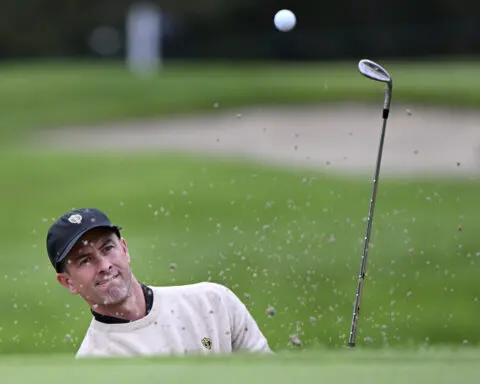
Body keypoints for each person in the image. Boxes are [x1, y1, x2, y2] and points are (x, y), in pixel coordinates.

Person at [46, 207, 272, 358]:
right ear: (68, 282)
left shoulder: (212, 303)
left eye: (108, 248)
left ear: (124, 249)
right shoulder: (94, 364)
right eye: (85, 260)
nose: (104, 265)